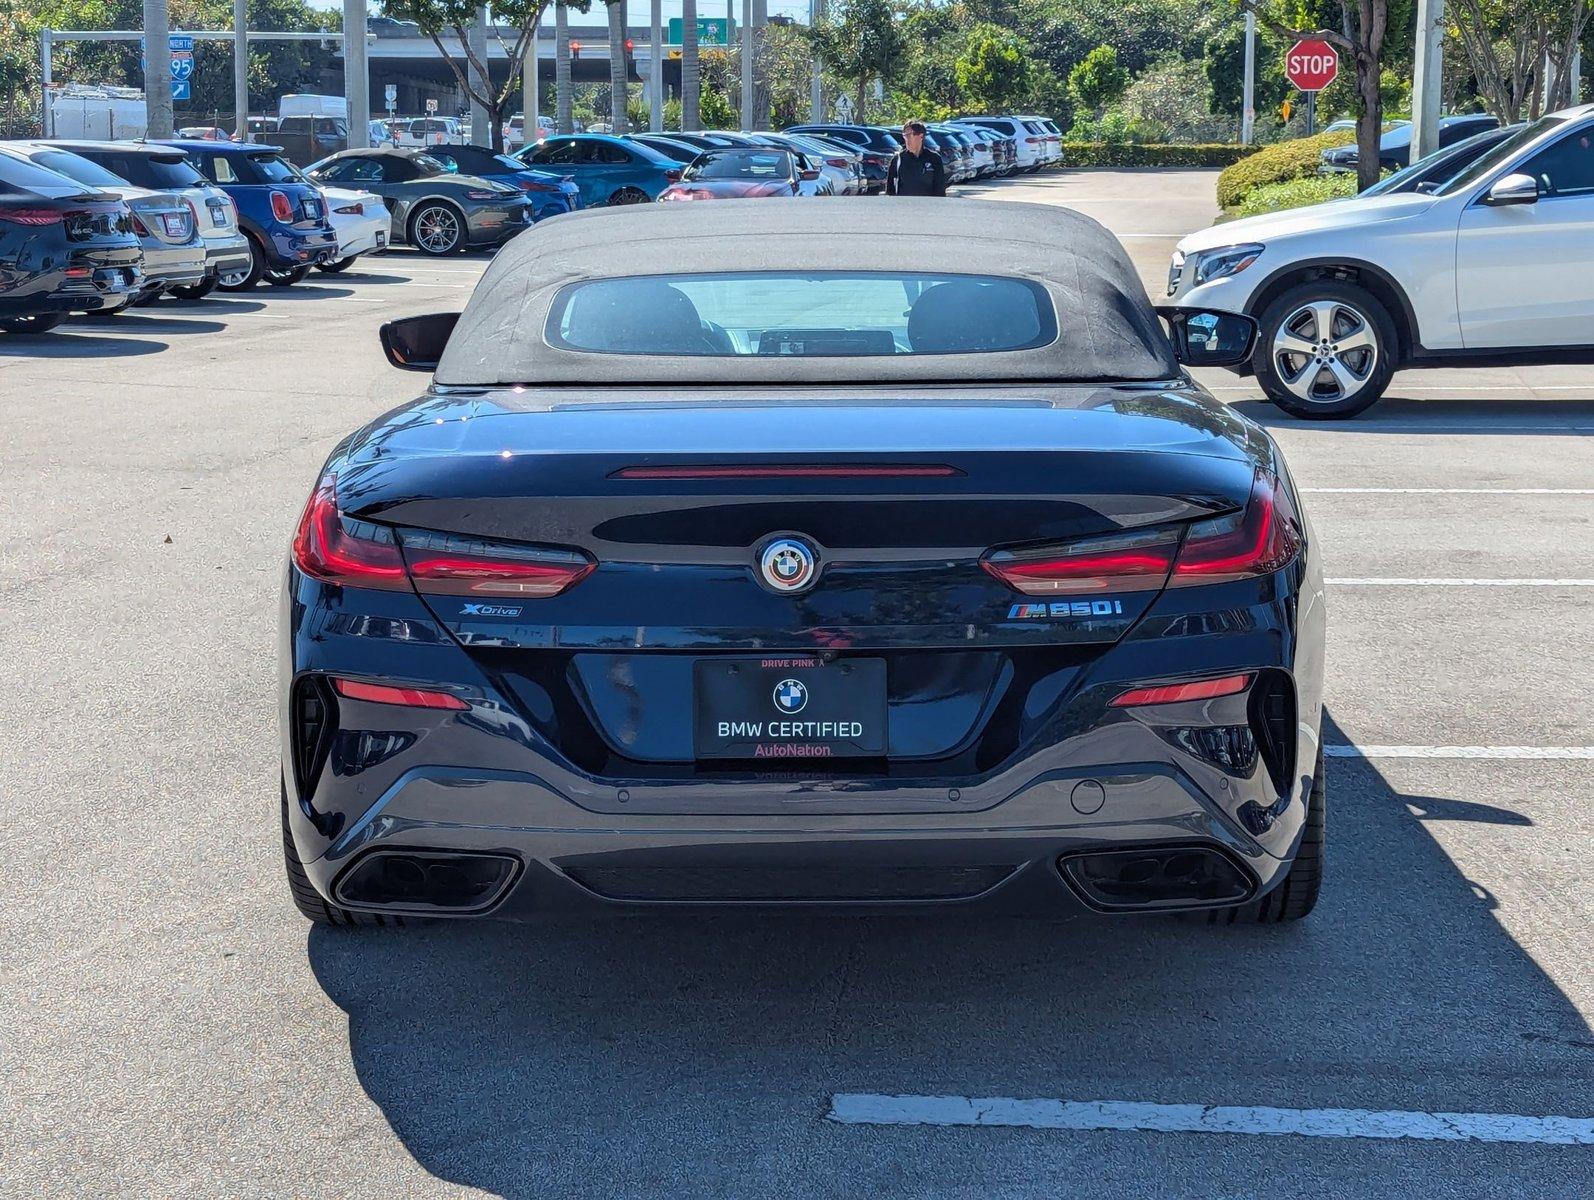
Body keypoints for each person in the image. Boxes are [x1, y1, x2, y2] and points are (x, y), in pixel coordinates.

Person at [885, 120, 947, 197]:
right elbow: (889, 190)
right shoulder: (898, 159)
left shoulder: (934, 158)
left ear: (921, 136)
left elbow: (940, 189)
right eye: (904, 135)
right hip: (904, 207)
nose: (906, 139)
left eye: (909, 135)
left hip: (928, 206)